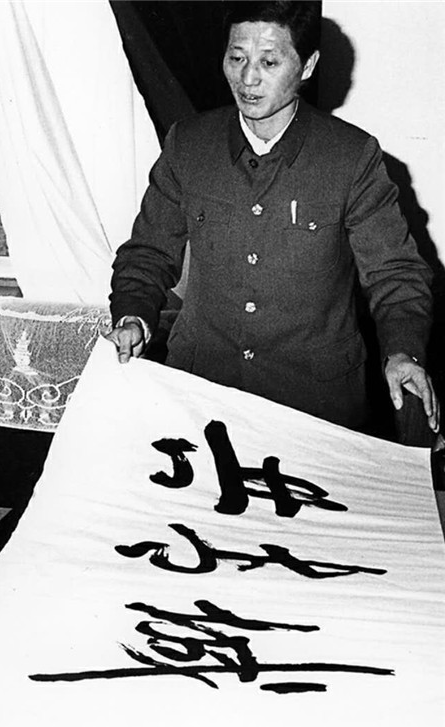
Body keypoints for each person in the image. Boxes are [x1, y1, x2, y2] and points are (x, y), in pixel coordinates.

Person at [107, 0, 439, 437]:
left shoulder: (351, 157)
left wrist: (402, 352)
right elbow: (148, 253)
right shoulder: (188, 144)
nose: (248, 78)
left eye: (268, 62)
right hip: (201, 391)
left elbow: (395, 274)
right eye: (236, 58)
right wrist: (133, 314)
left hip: (315, 406)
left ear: (307, 66)